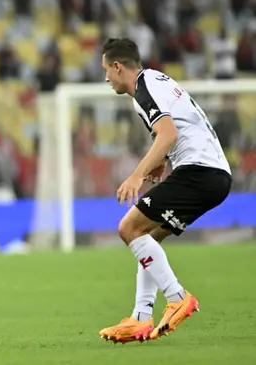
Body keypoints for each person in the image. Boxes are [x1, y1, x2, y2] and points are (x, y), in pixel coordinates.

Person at [98, 38, 232, 343]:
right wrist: (164, 160)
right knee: (149, 237)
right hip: (214, 174)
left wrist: (137, 175)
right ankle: (140, 318)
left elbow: (168, 132)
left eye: (107, 70)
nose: (106, 77)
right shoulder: (156, 80)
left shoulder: (145, 88)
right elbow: (180, 127)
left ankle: (178, 297)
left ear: (118, 67)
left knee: (128, 228)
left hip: (200, 171)